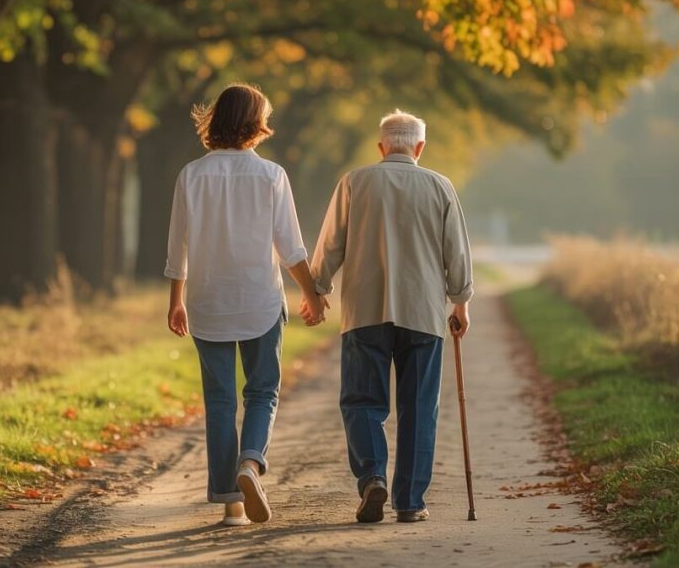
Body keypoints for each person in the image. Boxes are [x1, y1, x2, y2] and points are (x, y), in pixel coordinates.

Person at [165, 83, 327, 527]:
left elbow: (176, 246)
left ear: (215, 119)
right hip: (259, 300)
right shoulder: (271, 176)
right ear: (257, 123)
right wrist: (312, 293)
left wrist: (175, 302)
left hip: (207, 300)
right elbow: (291, 249)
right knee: (261, 392)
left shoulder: (191, 175)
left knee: (219, 401)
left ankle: (231, 503)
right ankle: (250, 464)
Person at [304, 109, 473, 523]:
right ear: (420, 148)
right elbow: (457, 252)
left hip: (365, 310)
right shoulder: (440, 186)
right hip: (423, 313)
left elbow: (329, 245)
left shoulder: (355, 182)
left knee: (362, 401)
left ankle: (372, 477)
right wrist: (461, 302)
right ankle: (410, 502)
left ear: (381, 147)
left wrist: (317, 291)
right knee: (418, 407)